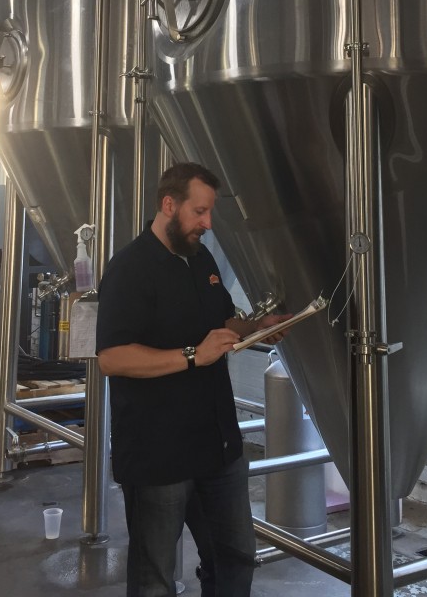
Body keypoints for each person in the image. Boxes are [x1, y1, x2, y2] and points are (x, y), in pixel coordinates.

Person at [96, 162, 291, 597]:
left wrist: (257, 328)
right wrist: (192, 356)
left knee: (236, 555)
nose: (207, 223)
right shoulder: (129, 269)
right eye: (199, 212)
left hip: (217, 446)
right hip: (159, 452)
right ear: (170, 205)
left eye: (209, 214)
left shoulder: (199, 258)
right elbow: (112, 357)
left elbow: (221, 321)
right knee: (156, 579)